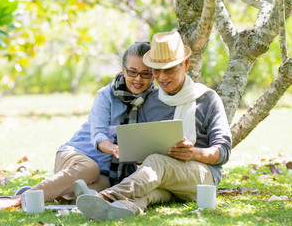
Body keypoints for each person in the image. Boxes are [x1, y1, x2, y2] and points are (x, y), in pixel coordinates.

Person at [75, 31, 232, 221]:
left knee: (158, 162)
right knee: (151, 193)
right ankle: (124, 208)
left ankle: (105, 197)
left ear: (186, 65)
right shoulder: (149, 102)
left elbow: (223, 151)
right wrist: (139, 156)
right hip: (164, 180)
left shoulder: (207, 99)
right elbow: (141, 151)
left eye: (170, 69)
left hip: (201, 180)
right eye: (156, 71)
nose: (162, 77)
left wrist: (193, 153)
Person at [0, 42, 156, 210]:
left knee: (97, 193)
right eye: (132, 72)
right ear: (123, 69)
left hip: (107, 174)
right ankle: (17, 200)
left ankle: (49, 192)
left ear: (153, 73)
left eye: (145, 73)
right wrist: (114, 148)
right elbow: (98, 135)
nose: (138, 79)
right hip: (75, 156)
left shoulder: (155, 101)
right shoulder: (106, 95)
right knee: (90, 168)